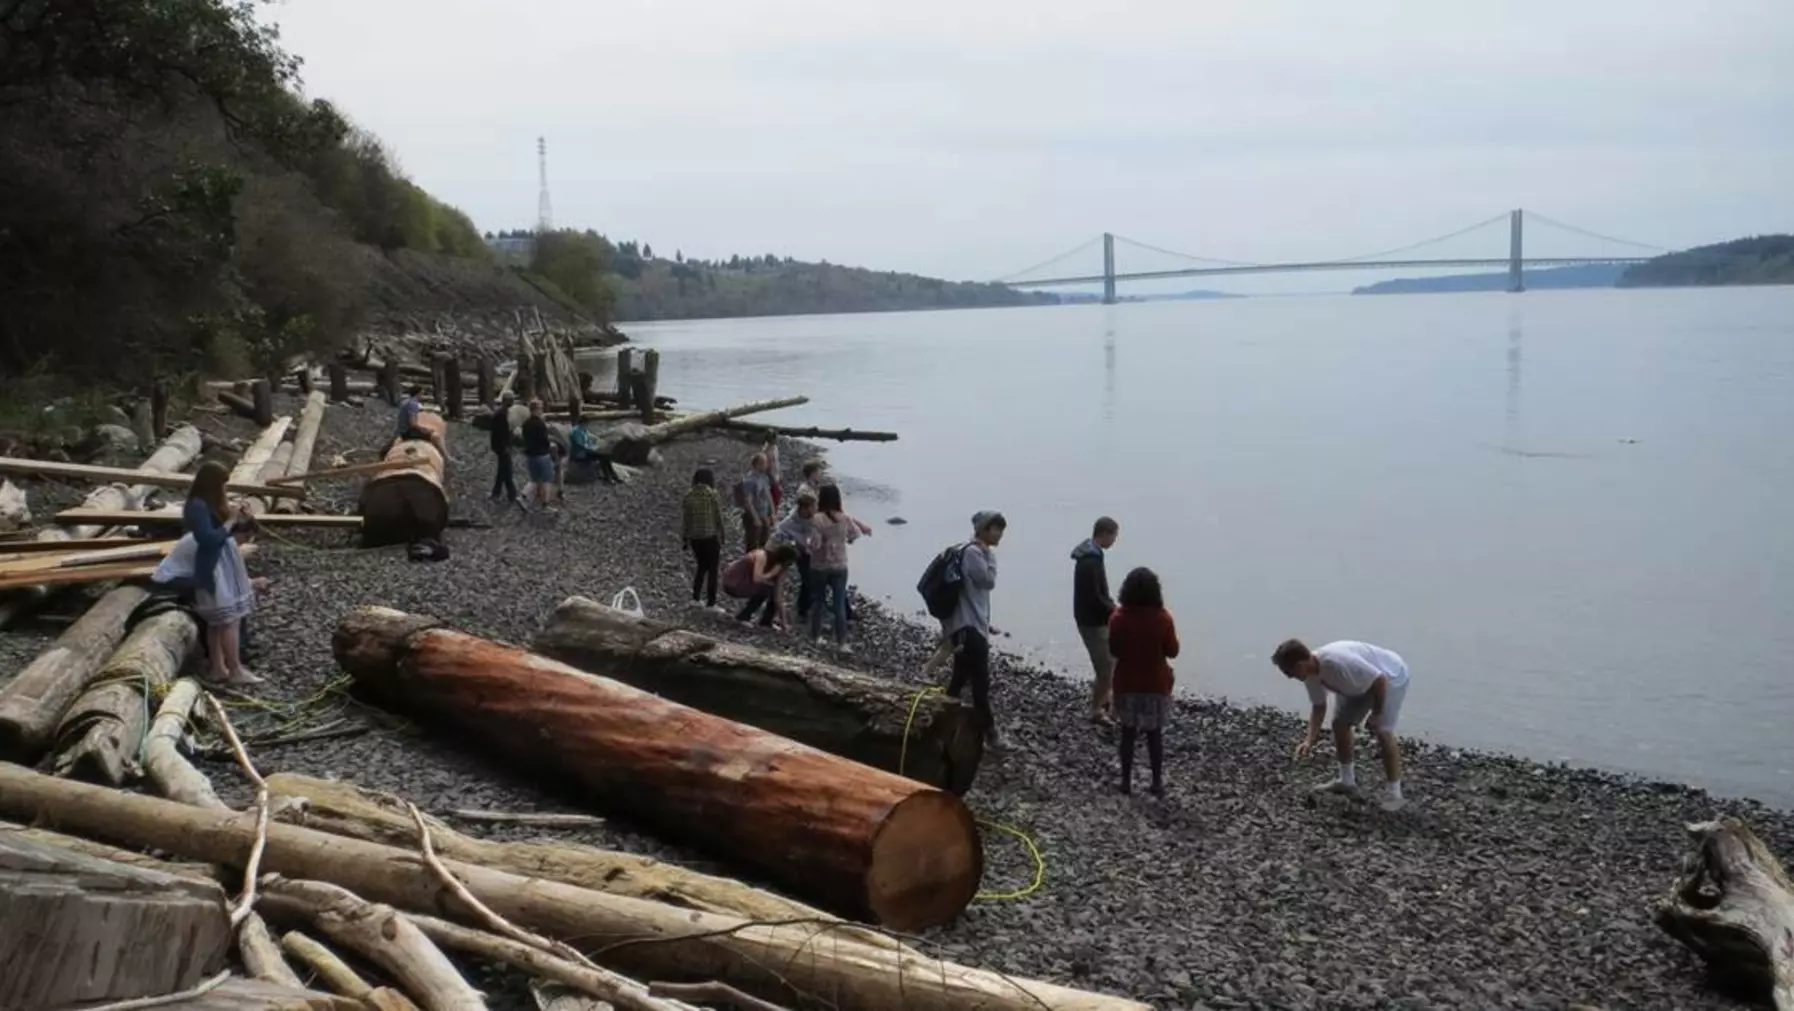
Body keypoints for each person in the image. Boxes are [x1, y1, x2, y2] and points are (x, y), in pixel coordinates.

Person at [1273, 638, 1412, 812]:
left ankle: (1395, 795)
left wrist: (1376, 713)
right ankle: (1347, 781)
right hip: (1356, 684)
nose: (1289, 676)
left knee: (1383, 731)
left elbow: (1379, 680)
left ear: (1302, 663)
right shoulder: (1310, 675)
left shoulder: (1337, 663)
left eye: (1289, 671)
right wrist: (1309, 741)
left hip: (1391, 677)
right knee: (1340, 724)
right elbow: (1319, 707)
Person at [170, 461, 261, 686]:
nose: (224, 491)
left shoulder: (209, 503)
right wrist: (230, 520)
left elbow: (229, 531)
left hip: (222, 561)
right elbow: (208, 538)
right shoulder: (196, 506)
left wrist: (242, 517)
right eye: (221, 486)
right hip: (212, 566)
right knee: (228, 618)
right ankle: (235, 669)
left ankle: (219, 667)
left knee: (218, 620)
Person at [1108, 567, 1179, 796]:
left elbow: (1114, 650)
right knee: (1154, 734)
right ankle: (1156, 782)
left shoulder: (1118, 618)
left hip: (1127, 683)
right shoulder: (1163, 618)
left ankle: (1126, 781)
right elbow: (1173, 651)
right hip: (1155, 685)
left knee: (1127, 733)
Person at [944, 510, 1006, 747]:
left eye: (1001, 529)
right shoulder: (973, 553)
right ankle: (991, 734)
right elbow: (987, 581)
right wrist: (991, 560)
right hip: (969, 625)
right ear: (982, 530)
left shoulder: (978, 552)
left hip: (972, 623)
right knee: (980, 682)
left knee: (959, 678)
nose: (999, 534)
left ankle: (938, 717)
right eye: (995, 529)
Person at [1072, 516, 1121, 724]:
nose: (1115, 541)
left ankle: (1104, 702)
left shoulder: (1093, 555)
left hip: (1096, 618)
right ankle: (1096, 710)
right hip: (1092, 621)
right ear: (1104, 534)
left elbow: (1099, 593)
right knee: (1106, 668)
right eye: (1114, 536)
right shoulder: (1090, 561)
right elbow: (1094, 597)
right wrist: (1115, 610)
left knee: (1112, 662)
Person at [806, 484, 866, 653]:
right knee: (839, 604)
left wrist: (809, 546)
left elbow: (815, 544)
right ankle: (842, 643)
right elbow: (854, 535)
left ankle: (816, 636)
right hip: (840, 566)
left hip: (819, 566)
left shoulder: (817, 519)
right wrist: (845, 541)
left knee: (818, 601)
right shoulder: (844, 518)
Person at [681, 468, 727, 609]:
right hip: (710, 537)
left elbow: (686, 520)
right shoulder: (712, 495)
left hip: (695, 539)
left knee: (701, 567)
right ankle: (711, 602)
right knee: (713, 570)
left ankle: (695, 598)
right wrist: (722, 534)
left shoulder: (688, 496)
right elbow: (718, 517)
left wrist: (684, 538)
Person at [723, 542, 798, 628]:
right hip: (734, 582)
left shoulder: (780, 569)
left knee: (771, 589)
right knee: (766, 588)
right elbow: (757, 578)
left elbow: (778, 596)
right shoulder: (762, 555)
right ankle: (743, 617)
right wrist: (771, 573)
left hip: (748, 584)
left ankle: (766, 621)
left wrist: (784, 623)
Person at [772, 489, 819, 622]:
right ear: (804, 508)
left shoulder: (814, 518)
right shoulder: (790, 521)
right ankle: (802, 610)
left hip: (812, 550)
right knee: (807, 579)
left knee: (812, 580)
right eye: (813, 507)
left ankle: (809, 607)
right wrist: (797, 542)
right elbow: (780, 533)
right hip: (797, 552)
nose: (815, 509)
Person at [520, 398, 555, 510]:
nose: (542, 410)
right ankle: (545, 505)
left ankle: (524, 496)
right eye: (541, 408)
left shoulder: (526, 424)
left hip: (530, 455)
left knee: (534, 479)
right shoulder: (540, 424)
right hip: (542, 455)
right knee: (546, 480)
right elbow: (545, 440)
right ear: (537, 409)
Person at [737, 453, 775, 552]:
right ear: (758, 465)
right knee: (752, 543)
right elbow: (748, 502)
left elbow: (768, 495)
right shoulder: (749, 481)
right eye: (765, 463)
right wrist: (756, 518)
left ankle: (761, 561)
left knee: (765, 540)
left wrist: (772, 512)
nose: (767, 465)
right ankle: (750, 563)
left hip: (764, 513)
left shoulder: (764, 477)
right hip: (753, 515)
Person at [489, 392, 520, 506]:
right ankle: (508, 493)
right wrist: (504, 447)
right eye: (510, 400)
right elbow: (499, 433)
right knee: (505, 470)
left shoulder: (505, 413)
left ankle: (507, 493)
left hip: (504, 446)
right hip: (502, 447)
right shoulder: (500, 415)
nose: (512, 402)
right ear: (505, 401)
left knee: (504, 470)